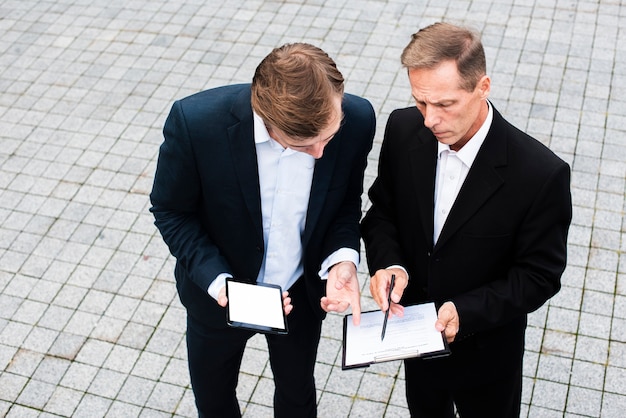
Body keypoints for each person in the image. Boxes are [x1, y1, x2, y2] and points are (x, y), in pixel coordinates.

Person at [149, 43, 375, 417]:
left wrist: (342, 261)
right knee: (214, 398)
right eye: (305, 145)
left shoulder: (358, 119)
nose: (321, 153)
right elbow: (172, 211)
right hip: (218, 298)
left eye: (329, 137)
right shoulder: (196, 123)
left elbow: (345, 203)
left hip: (301, 295)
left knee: (298, 393)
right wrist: (219, 283)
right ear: (268, 121)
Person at [360, 22, 572, 417]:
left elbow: (541, 274)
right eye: (421, 102)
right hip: (417, 345)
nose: (429, 120)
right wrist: (390, 264)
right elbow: (382, 212)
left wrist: (468, 310)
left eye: (444, 104)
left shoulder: (540, 174)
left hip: (488, 356)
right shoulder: (403, 129)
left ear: (483, 87)